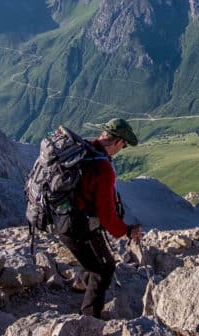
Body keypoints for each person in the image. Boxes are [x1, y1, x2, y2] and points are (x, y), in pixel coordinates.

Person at [57, 118, 143, 319]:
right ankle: (89, 319)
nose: (121, 150)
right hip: (79, 226)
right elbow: (106, 214)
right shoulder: (103, 168)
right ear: (118, 142)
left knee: (96, 259)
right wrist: (127, 231)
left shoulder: (85, 149)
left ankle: (79, 284)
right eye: (124, 146)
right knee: (104, 268)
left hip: (63, 219)